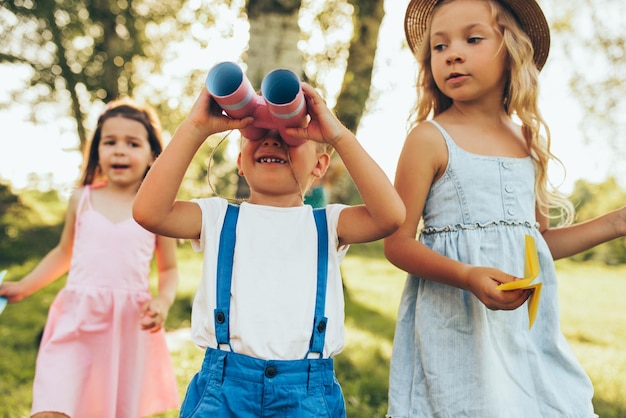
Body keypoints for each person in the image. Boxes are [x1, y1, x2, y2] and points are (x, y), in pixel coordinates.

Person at [384, 0, 626, 417]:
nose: (453, 53)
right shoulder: (429, 139)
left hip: (523, 329)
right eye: (439, 47)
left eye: (472, 39)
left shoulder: (528, 142)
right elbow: (398, 243)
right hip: (455, 327)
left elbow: (537, 243)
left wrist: (617, 222)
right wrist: (467, 274)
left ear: (511, 49)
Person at [132, 78, 405, 416]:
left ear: (320, 165)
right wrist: (196, 127)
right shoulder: (216, 217)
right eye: (258, 134)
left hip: (305, 394)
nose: (273, 140)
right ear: (240, 163)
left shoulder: (329, 224)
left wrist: (337, 135)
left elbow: (391, 216)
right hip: (223, 389)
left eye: (290, 135)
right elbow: (148, 212)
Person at [0, 99, 180, 418]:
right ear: (97, 151)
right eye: (109, 142)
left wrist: (163, 302)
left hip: (126, 326)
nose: (119, 150)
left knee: (106, 409)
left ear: (154, 155)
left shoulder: (157, 209)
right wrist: (25, 287)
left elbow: (168, 269)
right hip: (75, 319)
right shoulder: (81, 199)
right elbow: (63, 252)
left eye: (132, 143)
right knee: (52, 403)